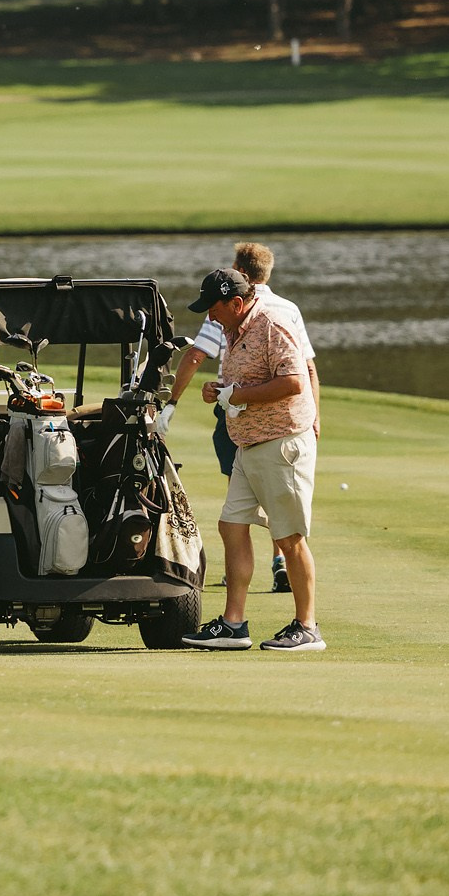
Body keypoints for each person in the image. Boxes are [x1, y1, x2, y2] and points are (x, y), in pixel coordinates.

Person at [177, 268, 324, 652]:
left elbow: (294, 381)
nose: (209, 317)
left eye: (213, 308)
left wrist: (239, 396)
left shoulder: (272, 325)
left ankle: (307, 627)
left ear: (236, 303)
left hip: (282, 443)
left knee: (289, 538)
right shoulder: (234, 327)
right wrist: (220, 390)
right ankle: (233, 624)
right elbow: (242, 382)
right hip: (248, 444)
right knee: (232, 525)